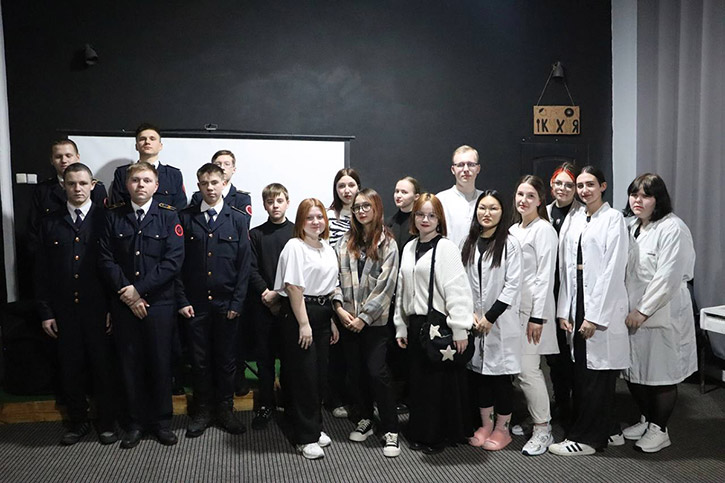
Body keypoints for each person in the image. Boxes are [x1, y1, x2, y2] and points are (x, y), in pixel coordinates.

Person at [98, 161, 185, 449]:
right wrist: (129, 294)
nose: (141, 185)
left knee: (160, 363)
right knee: (130, 364)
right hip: (124, 302)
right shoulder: (113, 216)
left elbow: (173, 261)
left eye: (147, 180)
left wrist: (139, 290)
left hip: (159, 303)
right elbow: (106, 259)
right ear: (127, 184)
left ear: (156, 186)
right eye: (135, 180)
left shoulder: (168, 216)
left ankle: (162, 423)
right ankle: (134, 423)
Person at [549, 166, 630, 456]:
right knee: (583, 371)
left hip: (599, 303)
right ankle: (608, 428)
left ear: (603, 186)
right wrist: (564, 310)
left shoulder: (613, 219)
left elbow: (613, 270)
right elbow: (565, 267)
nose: (584, 190)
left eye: (590, 184)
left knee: (595, 374)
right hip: (577, 298)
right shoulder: (576, 218)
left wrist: (594, 316)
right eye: (580, 185)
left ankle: (587, 439)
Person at [35, 163, 117, 446]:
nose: (77, 189)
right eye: (71, 184)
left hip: (99, 310)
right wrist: (46, 312)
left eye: (83, 183)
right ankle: (78, 421)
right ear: (63, 186)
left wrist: (112, 308)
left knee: (103, 368)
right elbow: (41, 271)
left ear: (93, 185)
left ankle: (106, 423)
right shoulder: (50, 222)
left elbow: (114, 267)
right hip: (64, 310)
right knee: (71, 369)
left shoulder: (107, 219)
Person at [621, 173, 696, 453]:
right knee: (636, 371)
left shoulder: (673, 228)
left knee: (661, 374)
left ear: (658, 199)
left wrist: (643, 310)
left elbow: (668, 277)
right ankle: (647, 419)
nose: (638, 201)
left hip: (662, 310)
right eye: (634, 195)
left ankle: (660, 428)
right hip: (632, 311)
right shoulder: (632, 226)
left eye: (646, 196)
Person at [393, 193, 474, 455]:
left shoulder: (446, 248)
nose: (425, 219)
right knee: (419, 383)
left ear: (439, 219)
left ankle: (436, 436)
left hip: (440, 324)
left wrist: (460, 328)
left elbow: (457, 290)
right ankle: (420, 431)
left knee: (437, 383)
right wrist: (400, 325)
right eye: (420, 214)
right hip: (415, 323)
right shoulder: (409, 247)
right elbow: (402, 289)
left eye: (431, 215)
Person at [176, 163, 251, 438]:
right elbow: (176, 264)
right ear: (198, 186)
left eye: (215, 182)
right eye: (205, 183)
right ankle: (203, 410)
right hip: (195, 304)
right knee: (199, 360)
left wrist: (237, 303)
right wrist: (182, 299)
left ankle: (225, 409)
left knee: (226, 360)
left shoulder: (238, 219)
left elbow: (244, 265)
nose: (210, 188)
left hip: (226, 305)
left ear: (224, 184)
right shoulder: (185, 218)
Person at [332, 188, 401, 458]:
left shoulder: (388, 244)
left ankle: (391, 428)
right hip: (347, 320)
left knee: (377, 373)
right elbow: (334, 279)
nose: (361, 211)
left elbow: (386, 286)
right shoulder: (344, 242)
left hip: (375, 324)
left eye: (366, 206)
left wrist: (364, 317)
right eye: (357, 207)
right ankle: (365, 418)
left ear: (376, 208)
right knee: (356, 373)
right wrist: (339, 309)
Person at [273, 198, 340, 460]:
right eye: (309, 217)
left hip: (322, 314)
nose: (316, 222)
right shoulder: (295, 246)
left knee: (319, 376)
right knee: (304, 377)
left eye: (319, 217)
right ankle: (304, 437)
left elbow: (328, 288)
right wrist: (303, 323)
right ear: (301, 221)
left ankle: (313, 426)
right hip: (300, 313)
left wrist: (330, 320)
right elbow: (293, 288)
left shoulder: (327, 247)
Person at [461, 190, 522, 452]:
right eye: (482, 208)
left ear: (502, 212)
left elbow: (512, 285)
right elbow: (462, 281)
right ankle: (486, 425)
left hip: (500, 322)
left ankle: (502, 429)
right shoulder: (469, 242)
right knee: (480, 377)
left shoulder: (510, 244)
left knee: (501, 378)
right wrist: (470, 312)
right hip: (476, 321)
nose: (487, 213)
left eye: (493, 208)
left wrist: (490, 316)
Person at [508, 176, 559, 456]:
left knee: (529, 370)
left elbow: (544, 276)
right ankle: (534, 416)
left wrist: (537, 317)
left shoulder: (544, 230)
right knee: (519, 370)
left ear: (540, 201)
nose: (523, 200)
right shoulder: (513, 230)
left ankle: (543, 429)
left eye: (530, 196)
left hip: (532, 313)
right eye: (520, 194)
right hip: (512, 311)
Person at [247, 183, 294, 430]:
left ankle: (289, 404)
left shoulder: (297, 232)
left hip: (289, 305)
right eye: (270, 202)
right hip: (262, 305)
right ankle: (265, 405)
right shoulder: (255, 234)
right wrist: (266, 293)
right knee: (264, 360)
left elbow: (300, 269)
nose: (275, 206)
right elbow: (250, 268)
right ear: (264, 205)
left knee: (288, 359)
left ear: (287, 202)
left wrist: (279, 294)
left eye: (279, 201)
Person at [545, 162, 581, 426]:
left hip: (572, 292)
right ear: (551, 184)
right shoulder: (545, 213)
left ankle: (578, 406)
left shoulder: (583, 214)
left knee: (573, 355)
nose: (563, 189)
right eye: (559, 183)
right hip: (550, 292)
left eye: (569, 185)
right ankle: (561, 401)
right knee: (554, 356)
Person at [29, 140, 107, 252]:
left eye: (68, 155)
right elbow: (34, 229)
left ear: (77, 157)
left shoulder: (97, 188)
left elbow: (103, 223)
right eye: (58, 157)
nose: (64, 160)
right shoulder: (43, 190)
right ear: (51, 160)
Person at [326, 168, 361, 418]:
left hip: (359, 292)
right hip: (333, 288)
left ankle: (357, 399)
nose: (346, 190)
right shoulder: (328, 217)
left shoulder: (365, 214)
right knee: (335, 349)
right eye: (341, 186)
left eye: (351, 185)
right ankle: (334, 398)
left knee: (357, 353)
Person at [109, 123, 187, 209]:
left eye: (152, 139)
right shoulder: (122, 173)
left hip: (165, 218)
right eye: (142, 139)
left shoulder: (173, 175)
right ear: (136, 146)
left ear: (160, 146)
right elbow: (117, 207)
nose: (147, 142)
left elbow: (180, 208)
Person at [190, 150, 252, 227]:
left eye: (227, 164)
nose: (222, 167)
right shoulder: (199, 196)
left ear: (234, 169)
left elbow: (243, 225)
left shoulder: (242, 198)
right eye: (218, 164)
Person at [436, 145, 483, 248]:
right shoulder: (441, 200)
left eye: (471, 164)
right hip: (448, 257)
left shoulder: (485, 199)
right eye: (460, 165)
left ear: (478, 168)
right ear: (453, 169)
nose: (466, 169)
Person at [386, 176, 421, 252]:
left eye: (404, 192)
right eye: (397, 191)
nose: (398, 196)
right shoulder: (389, 223)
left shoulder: (421, 223)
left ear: (416, 197)